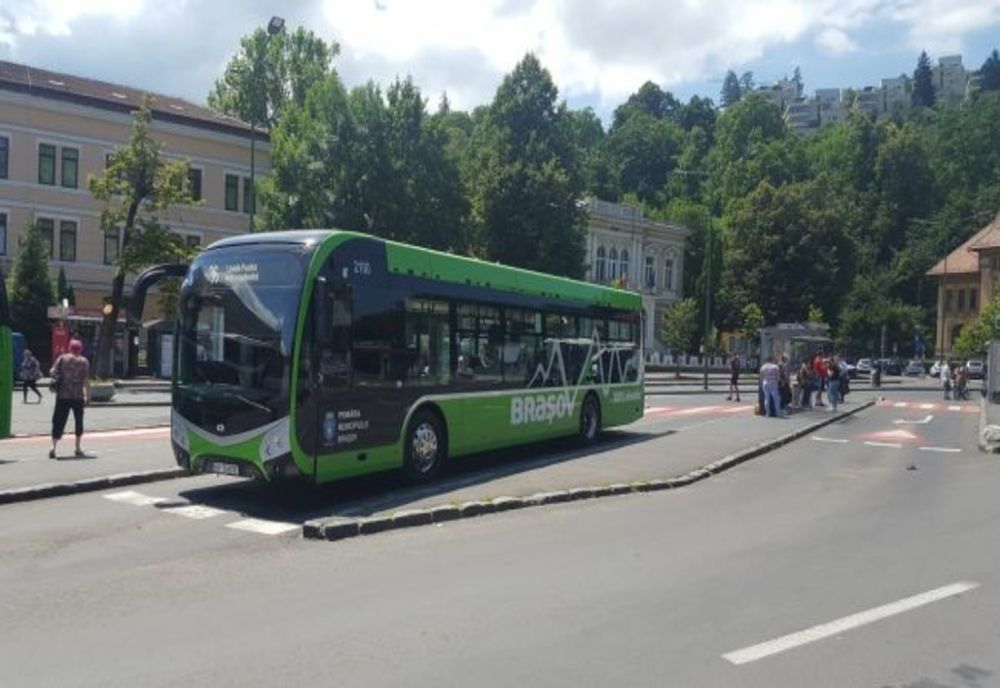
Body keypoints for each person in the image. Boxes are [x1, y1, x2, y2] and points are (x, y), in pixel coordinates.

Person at [49, 339, 91, 459]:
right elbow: (86, 380)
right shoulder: (84, 361)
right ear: (81, 349)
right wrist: (88, 396)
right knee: (78, 421)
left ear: (69, 348)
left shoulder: (62, 358)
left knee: (58, 420)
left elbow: (52, 371)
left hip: (63, 395)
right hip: (78, 396)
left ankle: (53, 447)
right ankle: (77, 447)